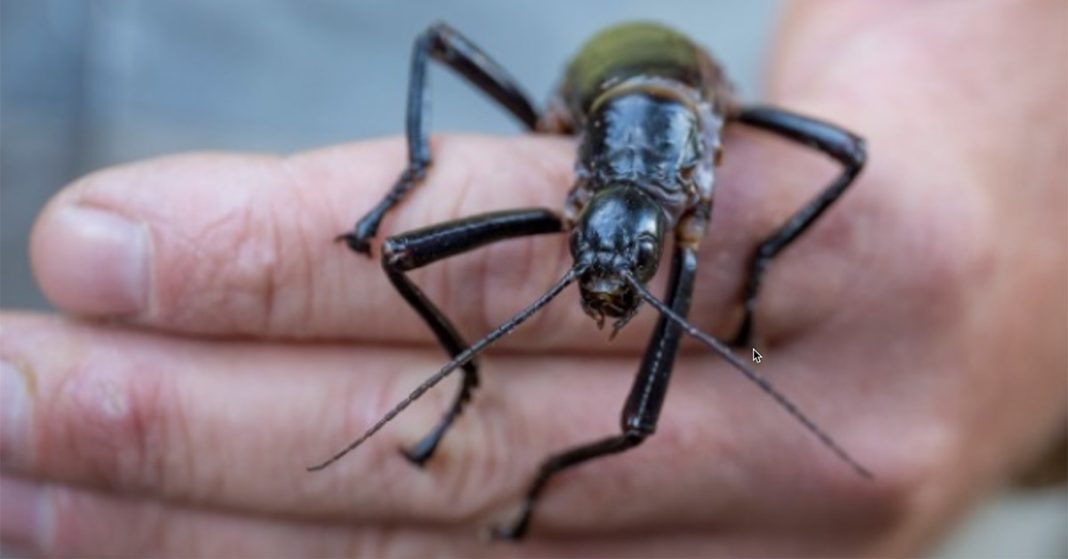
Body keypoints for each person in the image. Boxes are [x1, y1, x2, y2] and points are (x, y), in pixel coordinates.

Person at [2, 1, 1064, 556]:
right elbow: (435, 45)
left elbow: (858, 158)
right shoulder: (590, 181)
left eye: (631, 264)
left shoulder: (693, 215)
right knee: (408, 247)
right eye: (596, 254)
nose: (609, 282)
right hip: (588, 74)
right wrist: (417, 183)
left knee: (644, 420)